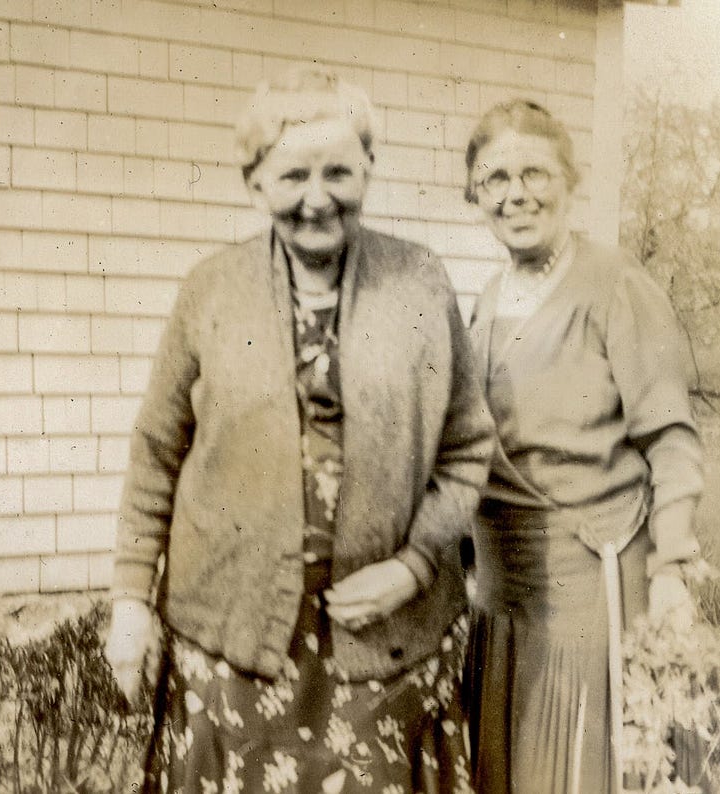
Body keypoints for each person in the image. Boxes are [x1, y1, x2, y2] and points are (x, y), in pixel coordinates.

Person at [102, 67, 494, 793]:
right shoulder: (210, 290)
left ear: (369, 171)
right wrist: (130, 601)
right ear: (254, 185)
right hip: (229, 640)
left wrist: (412, 566)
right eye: (293, 176)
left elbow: (468, 448)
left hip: (390, 640)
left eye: (340, 171)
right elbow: (157, 453)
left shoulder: (419, 282)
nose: (318, 198)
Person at [460, 99, 705, 793]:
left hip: (588, 588)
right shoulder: (486, 296)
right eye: (495, 179)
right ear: (475, 195)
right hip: (501, 595)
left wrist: (670, 570)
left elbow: (671, 438)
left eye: (534, 173)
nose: (516, 195)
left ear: (570, 180)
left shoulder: (615, 285)